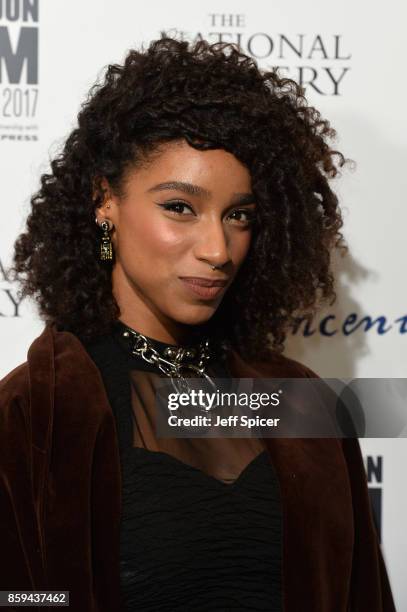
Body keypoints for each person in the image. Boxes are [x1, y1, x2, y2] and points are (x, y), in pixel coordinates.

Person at [0, 35, 395, 612]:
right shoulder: (37, 413)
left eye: (239, 216)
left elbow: (361, 594)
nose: (218, 249)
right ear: (104, 200)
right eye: (179, 207)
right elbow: (24, 599)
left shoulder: (301, 402)